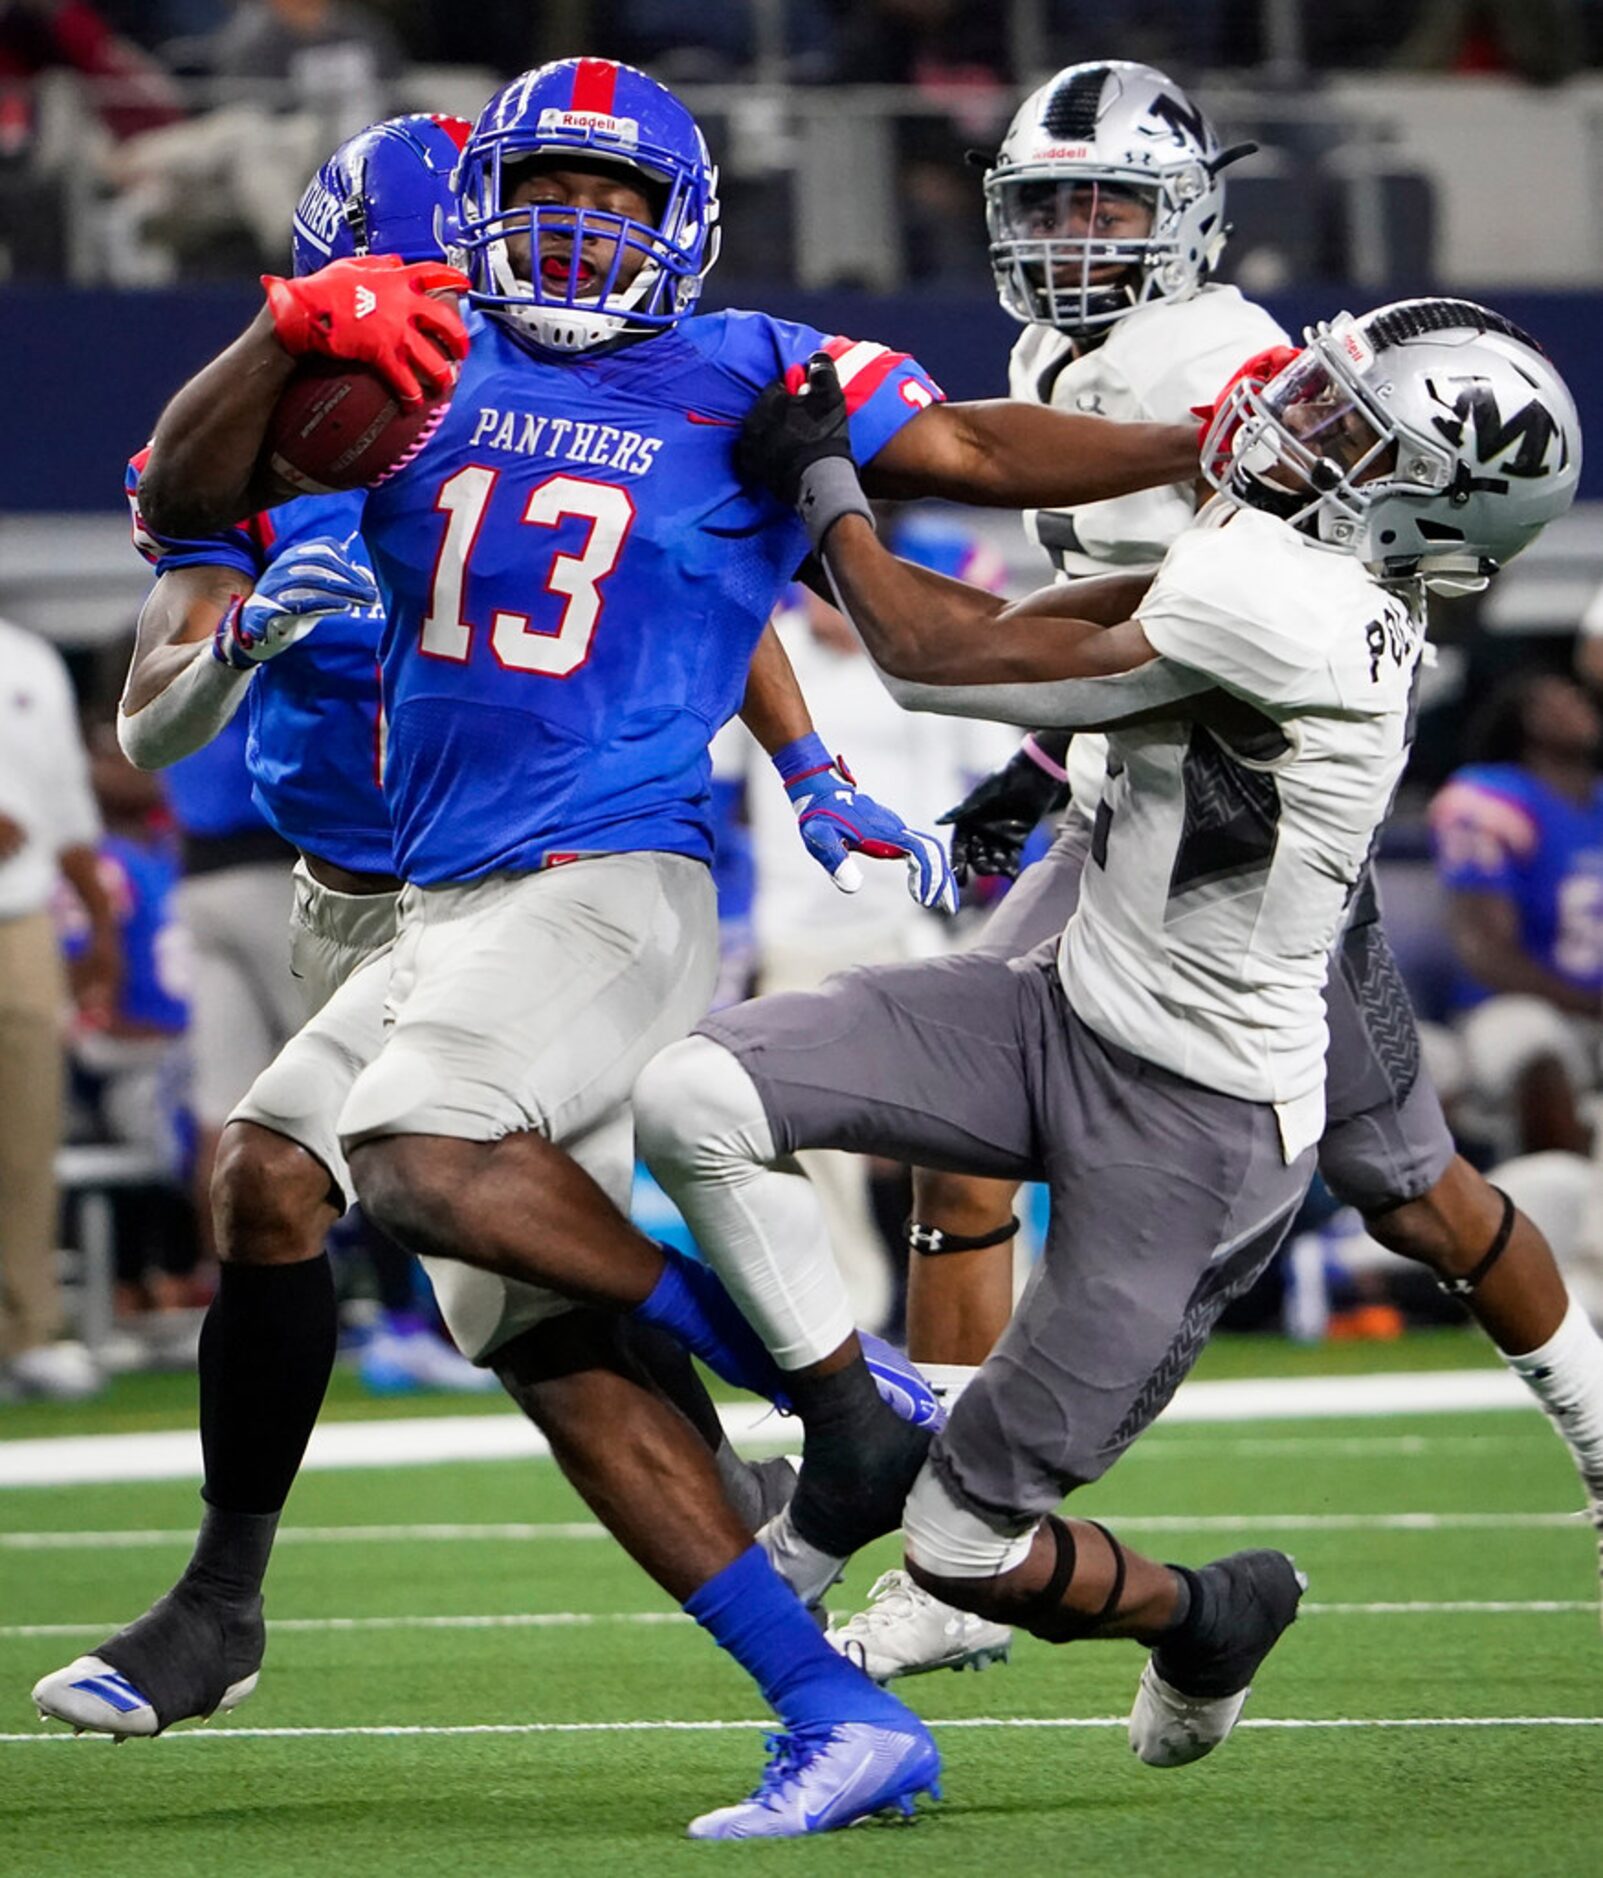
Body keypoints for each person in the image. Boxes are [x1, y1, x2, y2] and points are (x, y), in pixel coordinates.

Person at [42, 58, 1209, 1837]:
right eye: (547, 197)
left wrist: (1219, 440)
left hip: (605, 876)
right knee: (434, 1281)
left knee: (415, 1160)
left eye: (617, 201)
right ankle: (836, 1704)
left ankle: (821, 1380)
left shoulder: (747, 365)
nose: (578, 231)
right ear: (478, 214)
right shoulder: (405, 376)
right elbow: (184, 507)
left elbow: (963, 444)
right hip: (428, 900)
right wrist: (287, 333)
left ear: (682, 225)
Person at [632, 297, 1582, 1772]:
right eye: (1317, 399)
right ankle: (847, 1412)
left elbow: (925, 655)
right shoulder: (1272, 558)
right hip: (1051, 1006)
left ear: (1418, 514)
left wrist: (826, 489)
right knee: (688, 1094)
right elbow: (1026, 642)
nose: (1291, 424)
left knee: (958, 1553)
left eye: (1343, 430)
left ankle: (1204, 1615)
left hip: (1194, 1130)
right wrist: (1030, 733)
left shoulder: (1301, 607)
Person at [833, 62, 1603, 1680]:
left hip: (1244, 853)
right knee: (958, 1158)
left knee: (1417, 1196)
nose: (1075, 235)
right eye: (1047, 205)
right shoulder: (1074, 346)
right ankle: (943, 1555)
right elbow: (1124, 619)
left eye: (1107, 203)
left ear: (1183, 213)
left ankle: (1597, 1425)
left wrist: (1037, 726)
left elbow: (1288, 575)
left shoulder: (1223, 356)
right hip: (1123, 797)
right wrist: (1038, 759)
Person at [0, 615, 120, 1398]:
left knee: (24, 1137)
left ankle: (25, 1331)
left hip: (20, 918)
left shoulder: (27, 657)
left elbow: (66, 808)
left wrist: (100, 925)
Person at [1429, 674, 1603, 1156]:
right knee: (1529, 1042)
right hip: (1516, 1005)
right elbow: (1485, 951)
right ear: (1525, 719)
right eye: (1559, 697)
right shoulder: (1490, 797)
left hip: (1594, 1009)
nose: (1577, 702)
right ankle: (1546, 1195)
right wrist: (1589, 1004)